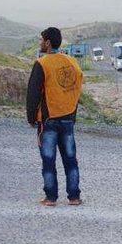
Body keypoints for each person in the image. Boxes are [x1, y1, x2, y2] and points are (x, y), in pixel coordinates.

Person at [26, 27, 84, 207]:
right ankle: (74, 197)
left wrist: (31, 117)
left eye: (42, 39)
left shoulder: (42, 64)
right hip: (68, 118)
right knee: (71, 159)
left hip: (49, 120)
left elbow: (33, 93)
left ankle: (51, 197)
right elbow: (77, 89)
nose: (40, 43)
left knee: (48, 160)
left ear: (48, 43)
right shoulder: (73, 62)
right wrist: (72, 114)